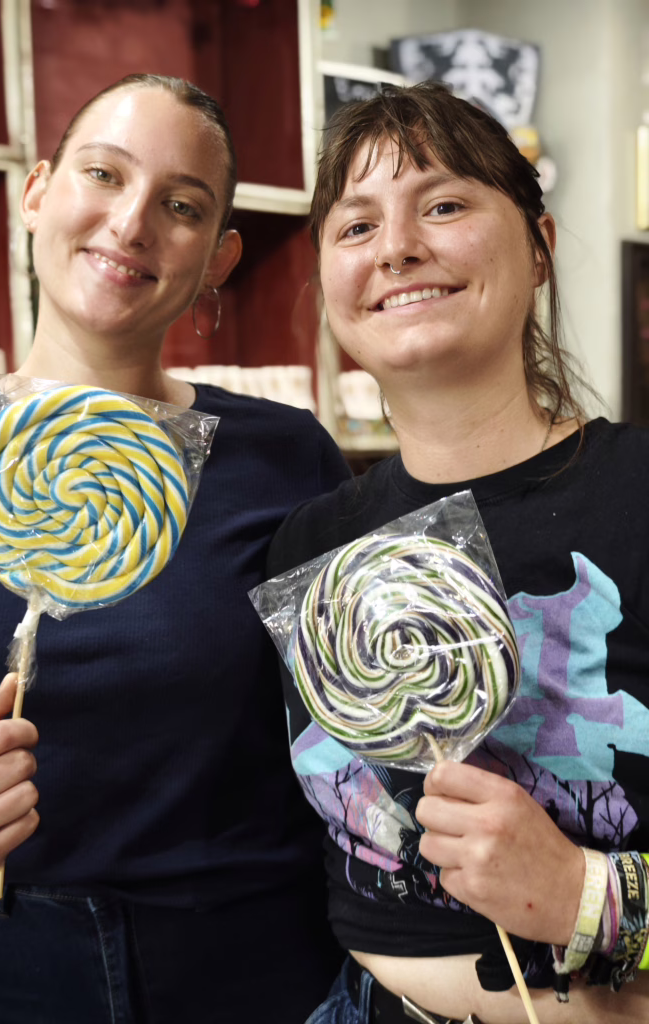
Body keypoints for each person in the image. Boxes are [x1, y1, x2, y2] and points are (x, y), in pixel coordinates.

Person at [0, 74, 350, 1023]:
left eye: (180, 206)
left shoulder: (287, 458)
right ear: (37, 192)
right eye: (104, 175)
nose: (131, 223)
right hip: (5, 971)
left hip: (254, 969)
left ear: (219, 257)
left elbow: (350, 746)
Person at [266, 82, 649, 1024]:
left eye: (443, 204)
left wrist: (589, 895)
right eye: (356, 228)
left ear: (542, 248)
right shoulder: (313, 544)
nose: (396, 247)